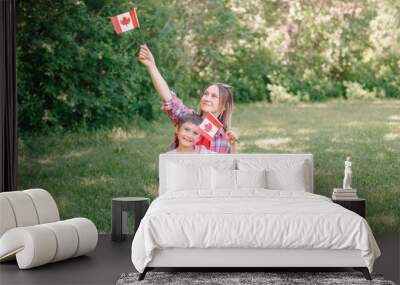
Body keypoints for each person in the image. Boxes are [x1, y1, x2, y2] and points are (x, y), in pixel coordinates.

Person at [137, 44, 238, 153]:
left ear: (224, 106)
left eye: (214, 96)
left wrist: (233, 144)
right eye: (205, 94)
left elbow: (230, 166)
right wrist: (152, 66)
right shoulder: (188, 118)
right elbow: (168, 98)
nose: (206, 98)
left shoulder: (224, 136)